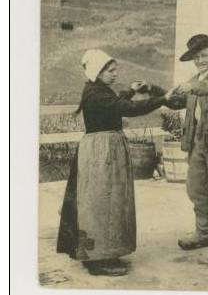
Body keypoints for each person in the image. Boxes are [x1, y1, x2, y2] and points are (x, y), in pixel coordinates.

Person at [57, 49, 168, 276]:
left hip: (105, 149)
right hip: (101, 152)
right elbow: (126, 108)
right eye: (110, 70)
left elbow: (115, 103)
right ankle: (97, 260)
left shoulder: (98, 90)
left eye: (115, 69)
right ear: (97, 71)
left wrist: (130, 91)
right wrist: (162, 99)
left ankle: (105, 251)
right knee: (100, 202)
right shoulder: (96, 93)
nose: (115, 74)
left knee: (110, 201)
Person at [165, 33, 208, 263]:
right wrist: (157, 92)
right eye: (197, 57)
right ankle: (203, 232)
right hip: (197, 144)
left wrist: (192, 86)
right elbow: (177, 101)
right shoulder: (194, 80)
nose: (201, 60)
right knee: (195, 189)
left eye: (204, 55)